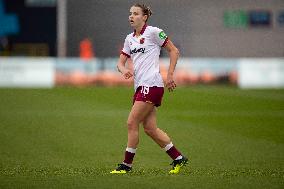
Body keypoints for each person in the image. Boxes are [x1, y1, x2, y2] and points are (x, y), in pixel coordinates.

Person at [110, 3, 188, 174]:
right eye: (130, 13)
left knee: (131, 122)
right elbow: (120, 63)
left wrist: (170, 75)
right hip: (139, 87)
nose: (131, 16)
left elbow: (174, 51)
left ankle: (126, 165)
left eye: (136, 13)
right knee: (150, 129)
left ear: (144, 17)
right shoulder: (129, 39)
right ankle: (178, 158)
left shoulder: (154, 32)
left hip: (152, 84)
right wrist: (125, 71)